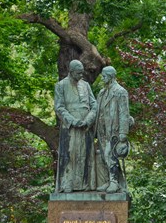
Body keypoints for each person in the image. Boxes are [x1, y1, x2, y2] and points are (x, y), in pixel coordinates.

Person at [54, 60, 97, 193]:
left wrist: (88, 119)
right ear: (71, 72)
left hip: (86, 126)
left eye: (82, 72)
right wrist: (72, 121)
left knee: (86, 154)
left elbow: (94, 105)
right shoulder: (61, 85)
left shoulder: (86, 85)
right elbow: (59, 107)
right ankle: (68, 183)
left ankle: (86, 184)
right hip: (70, 127)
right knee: (70, 154)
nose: (81, 75)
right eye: (78, 73)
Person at [94, 66, 132, 193]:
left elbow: (124, 113)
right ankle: (109, 180)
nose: (102, 78)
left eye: (104, 76)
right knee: (104, 156)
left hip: (114, 130)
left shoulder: (120, 91)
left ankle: (114, 182)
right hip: (102, 130)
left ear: (111, 76)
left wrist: (123, 132)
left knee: (110, 155)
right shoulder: (102, 93)